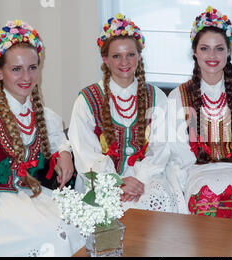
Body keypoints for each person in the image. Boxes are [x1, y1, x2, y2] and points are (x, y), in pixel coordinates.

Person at [0, 20, 84, 256]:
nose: (26, 76)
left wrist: (64, 152)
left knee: (79, 224)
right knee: (53, 234)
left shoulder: (41, 114)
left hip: (32, 197)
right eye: (16, 69)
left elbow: (57, 137)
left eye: (33, 67)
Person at [68, 13, 181, 213]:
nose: (124, 62)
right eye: (116, 56)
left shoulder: (156, 97)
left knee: (155, 200)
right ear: (105, 59)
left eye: (130, 54)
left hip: (148, 178)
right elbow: (85, 152)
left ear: (139, 55)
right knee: (107, 210)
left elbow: (161, 148)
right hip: (102, 181)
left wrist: (140, 178)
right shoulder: (87, 100)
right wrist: (116, 182)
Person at [166, 6, 232, 220]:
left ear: (229, 51)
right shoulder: (178, 97)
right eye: (204, 48)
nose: (212, 55)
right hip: (197, 177)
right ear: (194, 51)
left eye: (219, 48)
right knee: (205, 218)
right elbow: (178, 158)